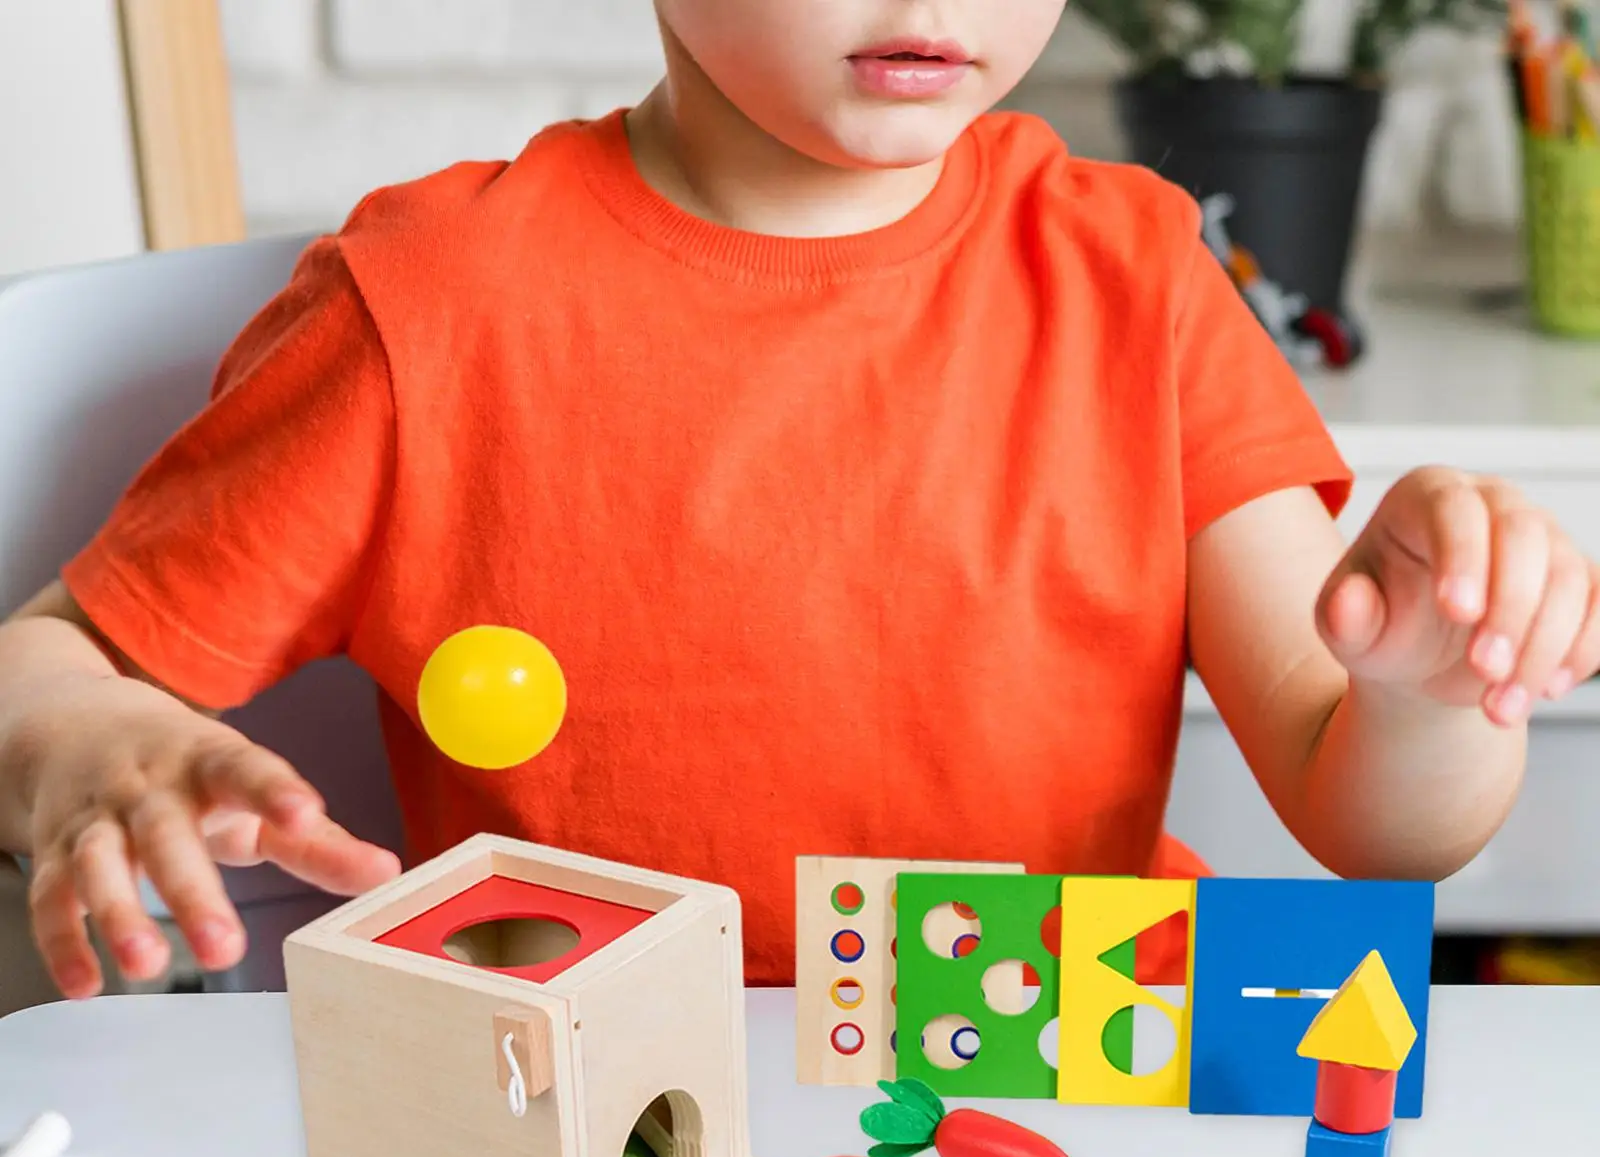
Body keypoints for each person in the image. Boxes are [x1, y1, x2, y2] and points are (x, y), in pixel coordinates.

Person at [0, 0, 1594, 1003]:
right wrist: (80, 746)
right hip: (592, 1115)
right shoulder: (427, 309)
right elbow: (53, 662)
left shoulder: (1137, 280)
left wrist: (1442, 688)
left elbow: (1376, 821)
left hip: (1061, 1097)